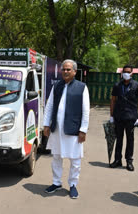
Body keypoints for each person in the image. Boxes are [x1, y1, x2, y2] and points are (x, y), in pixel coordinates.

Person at [43, 59, 90, 199]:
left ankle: (73, 185)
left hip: (74, 130)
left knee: (75, 160)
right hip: (57, 129)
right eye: (63, 69)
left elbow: (86, 110)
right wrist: (46, 124)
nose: (65, 71)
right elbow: (50, 105)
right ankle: (56, 183)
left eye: (69, 69)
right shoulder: (57, 86)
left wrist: (83, 130)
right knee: (56, 157)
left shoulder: (82, 87)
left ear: (75, 72)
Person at [109, 65, 138, 171]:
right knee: (118, 139)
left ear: (132, 73)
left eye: (128, 72)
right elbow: (113, 100)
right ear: (122, 73)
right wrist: (111, 116)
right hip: (118, 116)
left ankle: (129, 161)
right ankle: (117, 160)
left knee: (130, 140)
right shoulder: (117, 85)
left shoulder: (137, 85)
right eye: (124, 71)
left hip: (131, 117)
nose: (126, 73)